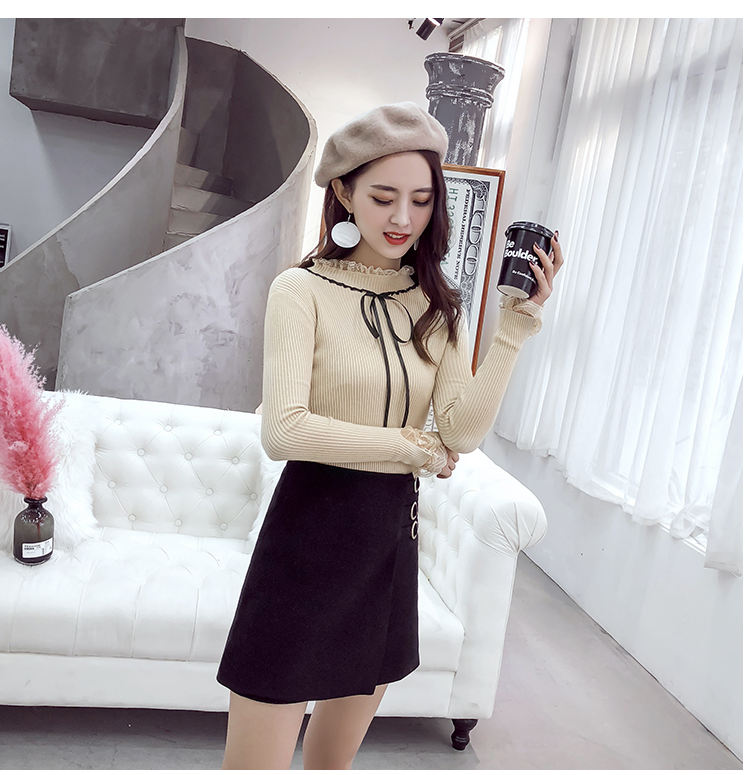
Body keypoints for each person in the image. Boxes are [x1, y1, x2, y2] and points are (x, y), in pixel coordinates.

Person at [216, 102, 563, 769]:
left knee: (331, 762)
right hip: (305, 541)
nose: (403, 217)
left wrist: (514, 326)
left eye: (421, 200)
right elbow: (283, 430)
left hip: (386, 546)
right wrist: (410, 448)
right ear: (344, 193)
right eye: (382, 197)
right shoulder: (300, 290)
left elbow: (459, 428)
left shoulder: (437, 304)